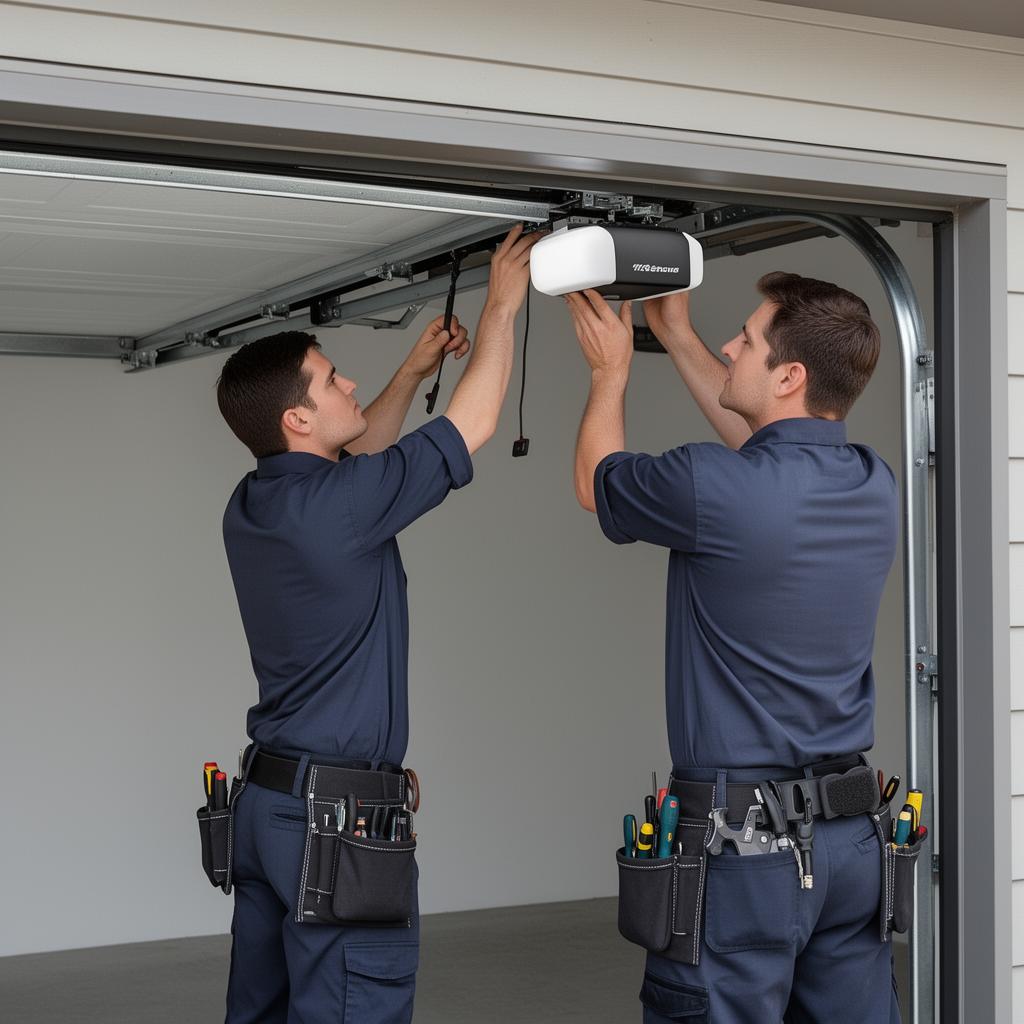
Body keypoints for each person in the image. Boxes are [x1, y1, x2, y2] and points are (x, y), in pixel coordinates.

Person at [213, 225, 540, 1024]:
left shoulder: (256, 504)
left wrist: (412, 370)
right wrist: (502, 306)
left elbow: (359, 455)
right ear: (296, 419)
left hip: (269, 811)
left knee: (261, 1010)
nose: (348, 383)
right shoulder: (343, 507)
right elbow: (473, 425)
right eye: (330, 381)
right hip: (337, 825)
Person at [566, 273, 900, 1023]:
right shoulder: (874, 483)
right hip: (850, 847)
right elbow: (769, 451)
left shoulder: (709, 484)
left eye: (744, 339)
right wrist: (677, 336)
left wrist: (610, 373)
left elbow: (596, 482)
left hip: (743, 852)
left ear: (789, 374)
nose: (729, 344)